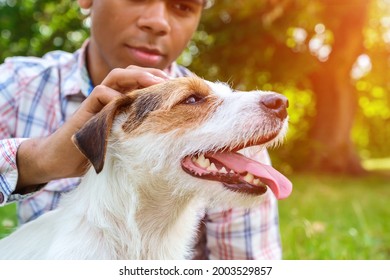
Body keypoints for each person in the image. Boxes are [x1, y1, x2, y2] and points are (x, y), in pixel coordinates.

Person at [0, 0, 282, 259]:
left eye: (183, 6)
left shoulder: (233, 140)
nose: (158, 22)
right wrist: (36, 160)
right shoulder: (17, 85)